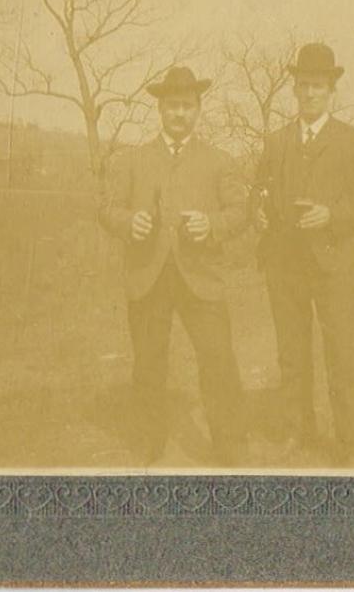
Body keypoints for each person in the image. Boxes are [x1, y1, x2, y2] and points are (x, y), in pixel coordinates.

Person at [99, 66, 248, 466]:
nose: (179, 114)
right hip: (148, 275)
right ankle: (150, 443)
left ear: (198, 109)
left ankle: (229, 446)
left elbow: (240, 211)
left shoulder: (219, 161)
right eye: (171, 106)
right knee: (149, 361)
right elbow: (107, 209)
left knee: (218, 358)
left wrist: (211, 224)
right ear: (160, 110)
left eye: (186, 106)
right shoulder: (133, 160)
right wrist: (129, 222)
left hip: (201, 277)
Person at [255, 42, 354, 465]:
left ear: (332, 91)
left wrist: (332, 214)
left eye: (318, 86)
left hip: (333, 264)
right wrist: (256, 211)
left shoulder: (353, 141)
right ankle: (299, 431)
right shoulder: (276, 142)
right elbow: (258, 193)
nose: (309, 93)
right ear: (293, 88)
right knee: (291, 353)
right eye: (303, 85)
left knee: (340, 353)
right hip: (284, 265)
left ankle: (351, 443)